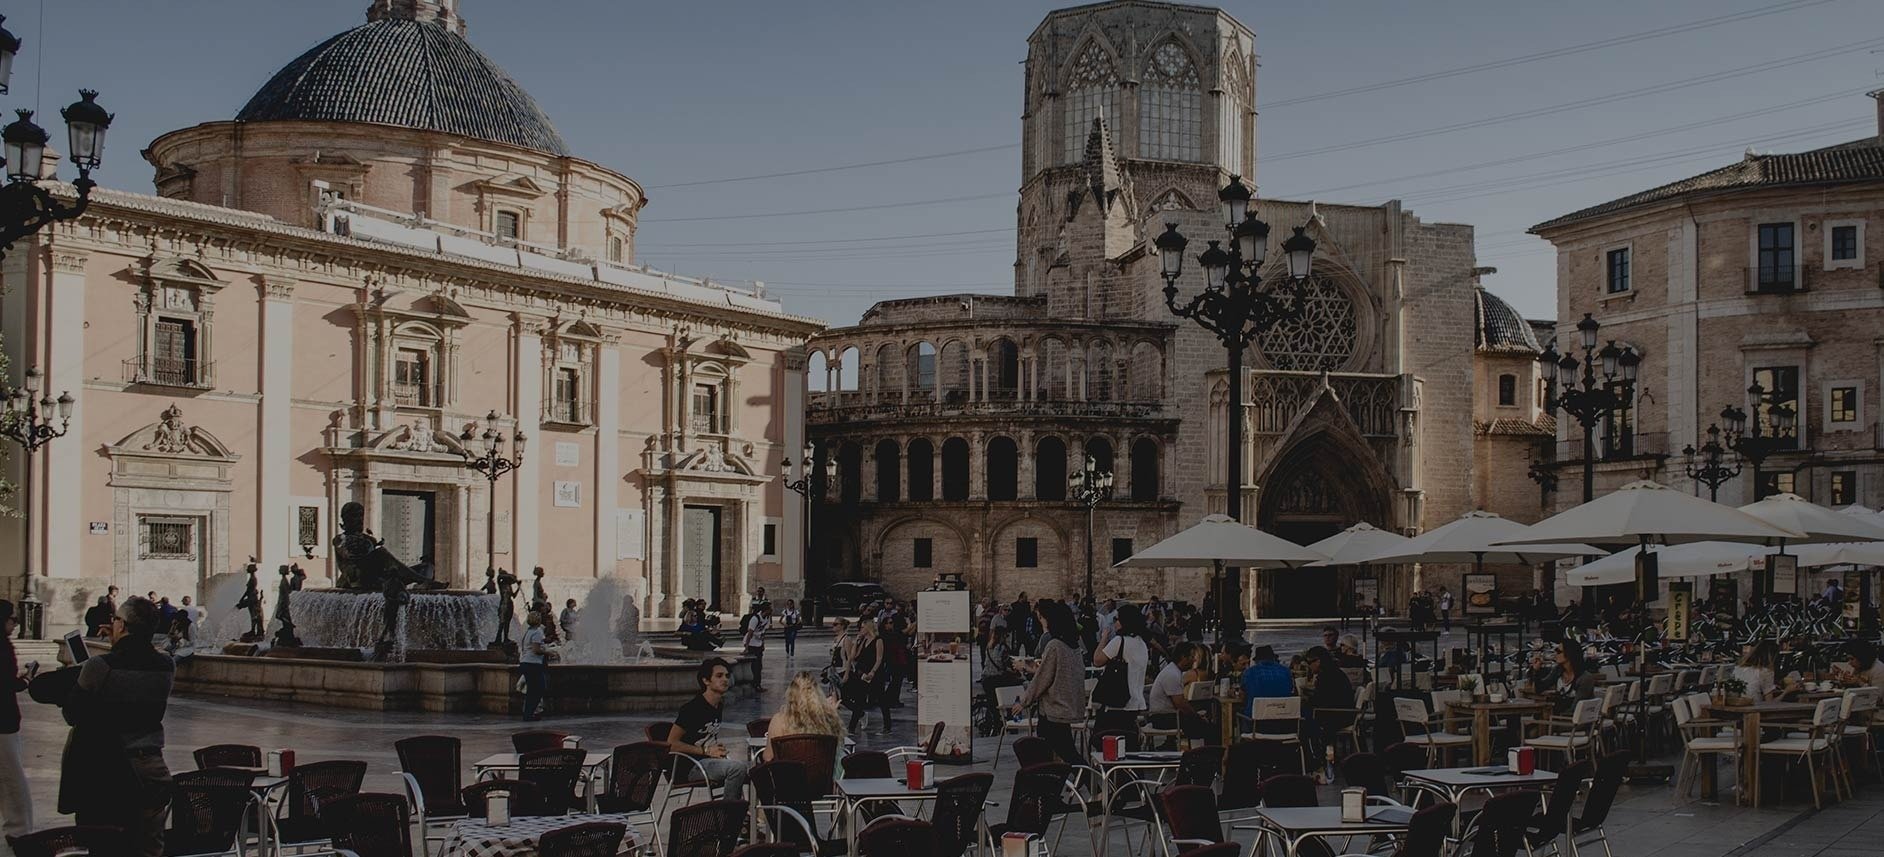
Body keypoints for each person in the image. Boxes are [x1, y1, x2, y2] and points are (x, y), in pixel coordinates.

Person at [56, 596, 175, 857]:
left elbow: (72, 713)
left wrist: (112, 649)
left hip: (110, 769)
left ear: (122, 625)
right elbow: (134, 665)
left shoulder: (100, 666)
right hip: (152, 767)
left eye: (116, 619)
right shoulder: (166, 665)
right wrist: (119, 644)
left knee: (107, 847)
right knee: (149, 847)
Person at [1013, 600, 1088, 766]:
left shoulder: (1055, 646)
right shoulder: (1072, 646)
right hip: (1064, 708)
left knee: (1061, 755)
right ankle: (1077, 785)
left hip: (1052, 711)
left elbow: (1042, 678)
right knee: (1064, 753)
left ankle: (1093, 784)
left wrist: (1024, 701)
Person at [667, 658, 749, 796]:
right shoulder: (692, 708)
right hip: (689, 766)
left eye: (727, 676)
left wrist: (715, 748)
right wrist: (706, 750)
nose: (725, 679)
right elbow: (671, 744)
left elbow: (705, 735)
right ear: (706, 681)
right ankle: (729, 813)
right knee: (737, 769)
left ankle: (742, 810)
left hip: (707, 761)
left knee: (749, 769)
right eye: (719, 676)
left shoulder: (718, 705)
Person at [2, 601, 33, 850]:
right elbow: (6, 684)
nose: (15, 623)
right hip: (3, 720)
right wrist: (24, 681)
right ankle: (20, 828)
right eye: (12, 619)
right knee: (12, 777)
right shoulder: (3, 647)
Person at [764, 672, 845, 755]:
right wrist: (832, 716)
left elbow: (768, 757)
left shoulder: (779, 721)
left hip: (788, 767)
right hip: (820, 767)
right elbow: (837, 749)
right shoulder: (824, 720)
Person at [845, 618, 892, 733]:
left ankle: (887, 726)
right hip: (863, 674)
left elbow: (879, 658)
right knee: (860, 700)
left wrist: (873, 671)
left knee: (881, 700)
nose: (860, 629)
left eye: (862, 627)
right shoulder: (863, 641)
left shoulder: (878, 640)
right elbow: (854, 656)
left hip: (875, 674)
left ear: (868, 627)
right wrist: (857, 641)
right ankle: (851, 727)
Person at [1240, 645, 1293, 723]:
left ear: (1257, 660)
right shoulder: (1286, 671)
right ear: (1273, 658)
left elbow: (1243, 696)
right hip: (1284, 724)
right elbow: (1291, 690)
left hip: (1256, 725)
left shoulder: (1249, 672)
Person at [518, 611, 550, 720]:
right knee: (540, 688)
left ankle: (528, 713)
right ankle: (529, 713)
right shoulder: (537, 632)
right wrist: (549, 653)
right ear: (538, 620)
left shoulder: (528, 632)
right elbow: (536, 650)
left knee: (532, 689)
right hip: (533, 664)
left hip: (525, 662)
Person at [741, 606, 770, 691]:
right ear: (765, 610)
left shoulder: (766, 618)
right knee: (755, 665)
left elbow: (763, 632)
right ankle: (755, 684)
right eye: (770, 609)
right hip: (751, 644)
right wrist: (746, 647)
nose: (771, 611)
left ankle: (757, 684)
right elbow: (750, 633)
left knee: (759, 665)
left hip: (758, 643)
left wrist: (763, 643)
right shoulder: (755, 619)